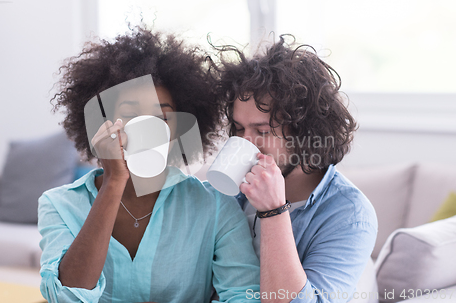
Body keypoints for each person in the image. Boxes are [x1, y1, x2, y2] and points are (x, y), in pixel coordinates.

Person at [39, 26, 260, 303]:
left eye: (162, 118)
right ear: (103, 123)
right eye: (130, 114)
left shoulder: (214, 207)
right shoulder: (59, 205)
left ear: (178, 129)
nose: (149, 128)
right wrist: (113, 182)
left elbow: (245, 297)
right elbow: (67, 296)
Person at [211, 35, 378, 302]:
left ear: (305, 131)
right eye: (240, 129)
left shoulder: (349, 214)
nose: (246, 143)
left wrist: (273, 211)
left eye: (262, 131)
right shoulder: (227, 193)